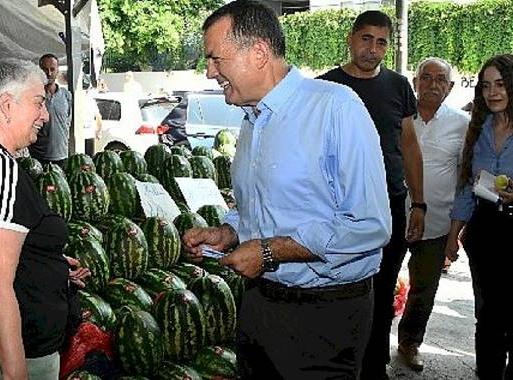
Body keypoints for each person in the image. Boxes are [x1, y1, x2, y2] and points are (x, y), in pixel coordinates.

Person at [182, 1, 392, 378]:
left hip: (324, 316)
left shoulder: (335, 108)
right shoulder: (252, 119)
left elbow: (370, 225)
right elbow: (259, 208)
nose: (210, 72)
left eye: (216, 59)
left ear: (259, 52)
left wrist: (268, 250)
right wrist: (228, 233)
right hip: (259, 306)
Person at [0, 59, 89, 380]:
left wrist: (48, 263)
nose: (45, 115)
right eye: (39, 103)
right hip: (8, 351)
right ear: (7, 105)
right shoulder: (1, 169)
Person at [318, 11, 426, 379]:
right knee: (340, 288)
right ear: (351, 39)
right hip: (339, 210)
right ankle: (336, 364)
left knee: (382, 292)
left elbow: (409, 145)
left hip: (391, 205)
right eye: (366, 39)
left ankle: (373, 366)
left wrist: (419, 203)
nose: (373, 49)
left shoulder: (398, 86)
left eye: (381, 42)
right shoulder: (326, 87)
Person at [396, 58, 470, 372]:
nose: (433, 84)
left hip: (437, 222)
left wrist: (457, 230)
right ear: (414, 83)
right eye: (426, 77)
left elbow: (464, 176)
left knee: (424, 288)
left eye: (441, 79)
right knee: (380, 280)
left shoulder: (462, 124)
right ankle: (371, 345)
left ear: (451, 87)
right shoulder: (399, 117)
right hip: (392, 217)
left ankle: (409, 344)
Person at [445, 54, 513, 379]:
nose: (493, 92)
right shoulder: (480, 128)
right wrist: (452, 236)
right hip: (485, 231)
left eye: (500, 84)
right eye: (486, 86)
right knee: (487, 317)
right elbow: (466, 188)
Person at [28, 53, 72, 166]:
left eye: (52, 69)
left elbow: (67, 122)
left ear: (58, 70)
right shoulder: (34, 95)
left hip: (62, 155)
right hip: (39, 157)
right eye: (45, 70)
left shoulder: (66, 95)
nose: (49, 73)